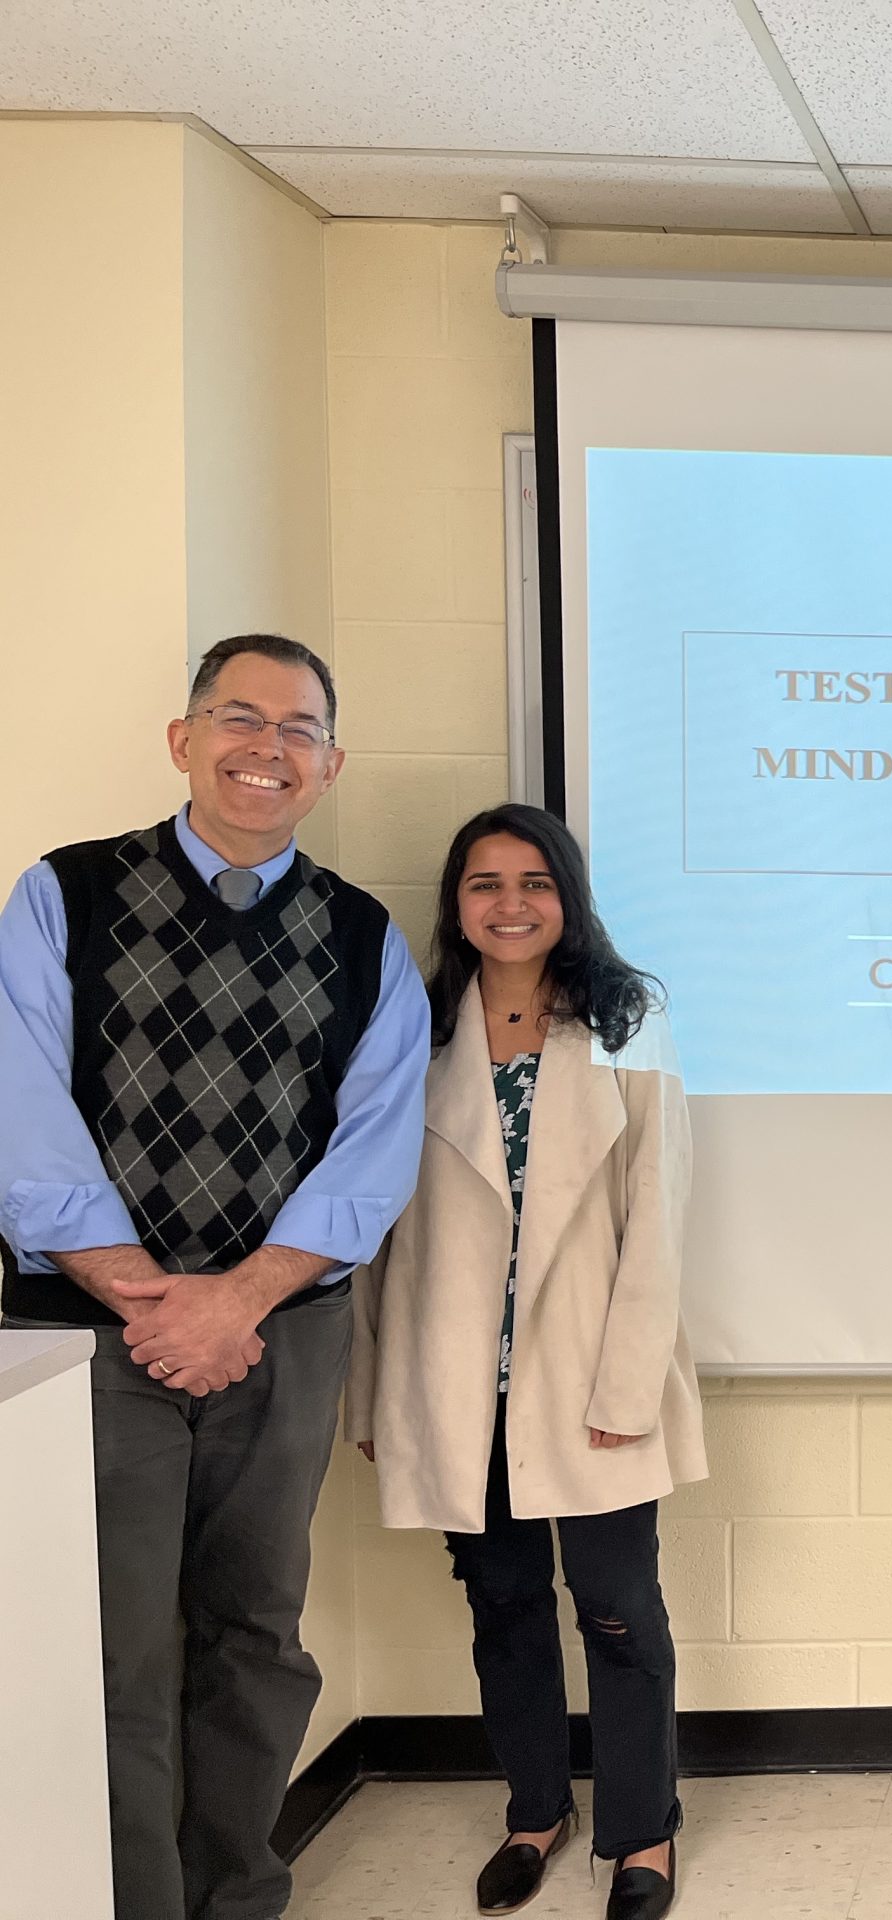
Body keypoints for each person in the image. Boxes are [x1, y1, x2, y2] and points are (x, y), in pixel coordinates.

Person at [0, 632, 430, 1920]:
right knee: (112, 1650)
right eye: (239, 717)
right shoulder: (60, 896)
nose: (268, 747)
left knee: (255, 1640)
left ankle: (238, 1898)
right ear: (182, 741)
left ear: (332, 764)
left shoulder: (363, 937)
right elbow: (19, 1110)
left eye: (300, 729)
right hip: (86, 1337)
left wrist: (233, 1300)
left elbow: (376, 1148)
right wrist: (155, 1297)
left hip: (279, 1340)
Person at [348, 803, 703, 1920]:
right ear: (455, 904)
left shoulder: (624, 1018)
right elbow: (369, 1220)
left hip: (589, 1373)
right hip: (456, 1383)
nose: (510, 905)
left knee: (616, 1609)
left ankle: (642, 1837)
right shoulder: (412, 1024)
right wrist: (376, 1388)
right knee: (500, 1607)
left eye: (534, 882)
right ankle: (536, 1812)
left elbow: (659, 1211)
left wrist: (629, 1383)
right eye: (484, 884)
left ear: (569, 898)